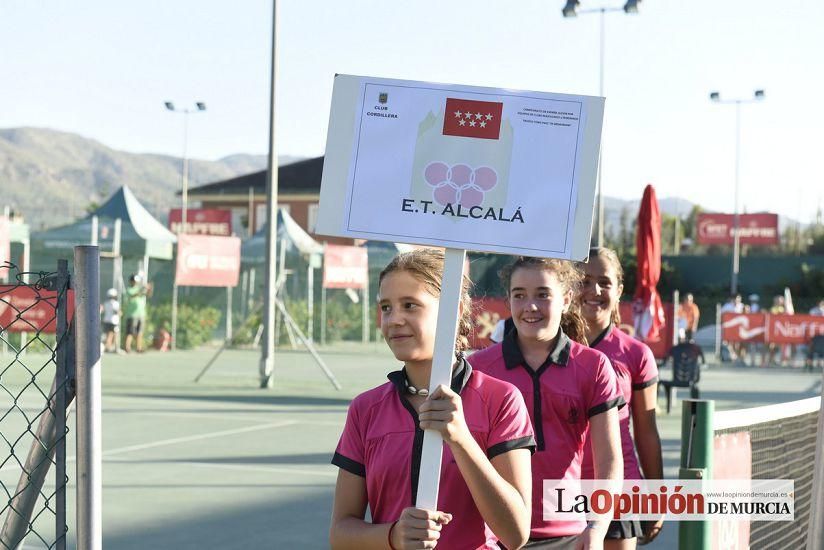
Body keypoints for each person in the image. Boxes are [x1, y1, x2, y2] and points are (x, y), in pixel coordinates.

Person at [330, 249, 534, 550]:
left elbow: (516, 534)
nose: (394, 319)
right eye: (386, 307)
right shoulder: (365, 409)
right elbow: (340, 534)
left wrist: (461, 439)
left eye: (410, 305)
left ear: (454, 310)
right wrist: (393, 536)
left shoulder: (500, 400)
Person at [471, 256, 624, 549]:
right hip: (491, 535)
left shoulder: (593, 366)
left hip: (568, 532)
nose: (530, 306)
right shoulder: (478, 369)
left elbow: (609, 460)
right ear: (508, 300)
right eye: (520, 295)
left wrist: (597, 526)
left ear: (567, 299)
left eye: (543, 295)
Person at [578, 248, 664, 548]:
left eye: (604, 282)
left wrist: (657, 496)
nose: (594, 290)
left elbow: (646, 432)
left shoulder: (636, 354)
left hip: (619, 490)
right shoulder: (545, 349)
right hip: (558, 489)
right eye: (584, 281)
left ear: (619, 290)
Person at [124, 274, 152, 353]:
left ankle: (138, 348)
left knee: (139, 332)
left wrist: (149, 288)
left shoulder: (139, 289)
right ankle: (127, 348)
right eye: (134, 281)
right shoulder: (129, 289)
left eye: (136, 282)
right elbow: (133, 295)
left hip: (141, 314)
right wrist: (143, 288)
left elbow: (148, 295)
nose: (135, 283)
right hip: (132, 315)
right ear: (131, 281)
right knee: (130, 332)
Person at [101, 288, 120, 353]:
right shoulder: (116, 303)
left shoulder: (106, 303)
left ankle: (110, 347)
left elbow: (102, 310)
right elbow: (117, 312)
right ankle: (109, 348)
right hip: (113, 321)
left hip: (106, 321)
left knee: (109, 335)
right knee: (112, 335)